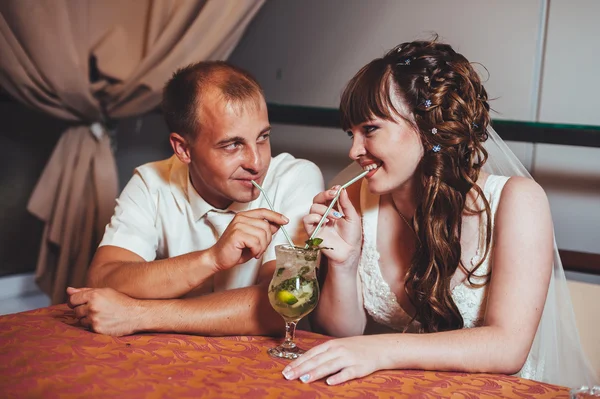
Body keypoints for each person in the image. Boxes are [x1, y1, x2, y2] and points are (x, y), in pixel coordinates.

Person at [282, 39, 597, 388]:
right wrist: (345, 263)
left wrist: (380, 351)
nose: (354, 150)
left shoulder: (517, 201)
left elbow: (508, 347)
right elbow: (338, 332)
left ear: (426, 123)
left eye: (370, 129)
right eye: (350, 133)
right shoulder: (358, 199)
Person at [67, 61, 324, 337]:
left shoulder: (297, 178)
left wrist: (138, 314)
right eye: (233, 144)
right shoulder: (151, 182)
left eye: (263, 137)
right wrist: (211, 259)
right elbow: (103, 278)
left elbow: (279, 308)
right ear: (183, 149)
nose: (257, 162)